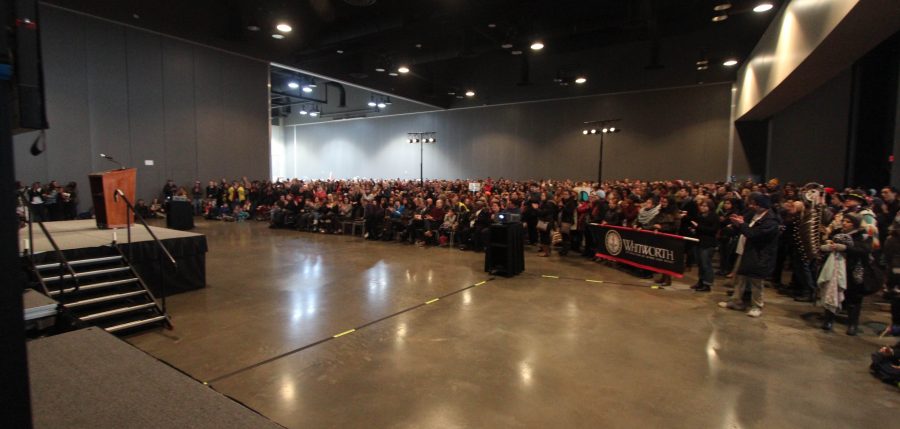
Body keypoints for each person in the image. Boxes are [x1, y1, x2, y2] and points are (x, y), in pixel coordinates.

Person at [719, 193, 781, 318]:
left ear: (761, 205)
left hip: (760, 255)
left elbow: (754, 234)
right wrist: (737, 224)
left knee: (756, 281)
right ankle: (735, 301)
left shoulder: (770, 220)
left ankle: (757, 306)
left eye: (754, 203)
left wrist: (741, 224)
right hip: (746, 251)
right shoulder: (753, 214)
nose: (751, 206)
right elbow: (744, 228)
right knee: (740, 278)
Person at [818, 212, 873, 335]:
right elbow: (829, 242)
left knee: (854, 298)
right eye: (844, 221)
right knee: (833, 293)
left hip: (854, 270)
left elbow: (864, 250)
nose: (844, 223)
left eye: (848, 222)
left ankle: (852, 324)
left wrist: (846, 248)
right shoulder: (838, 233)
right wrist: (827, 246)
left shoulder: (863, 236)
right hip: (837, 268)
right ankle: (828, 320)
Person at [690, 199, 719, 292]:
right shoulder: (700, 216)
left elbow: (712, 230)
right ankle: (701, 281)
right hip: (699, 242)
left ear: (710, 207)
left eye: (705, 206)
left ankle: (707, 284)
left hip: (708, 244)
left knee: (706, 264)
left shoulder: (714, 216)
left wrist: (698, 227)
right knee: (700, 264)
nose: (703, 207)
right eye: (701, 206)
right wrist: (694, 230)